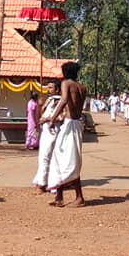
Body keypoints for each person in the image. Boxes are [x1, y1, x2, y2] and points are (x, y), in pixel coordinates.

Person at [43, 61, 86, 208]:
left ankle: (79, 198)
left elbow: (63, 101)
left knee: (64, 160)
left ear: (64, 73)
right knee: (64, 159)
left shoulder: (66, 84)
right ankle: (59, 196)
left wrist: (52, 119)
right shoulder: (82, 88)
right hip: (77, 124)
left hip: (69, 124)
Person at [31, 81, 61, 194]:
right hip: (45, 130)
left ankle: (43, 183)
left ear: (57, 89)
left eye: (51, 87)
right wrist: (40, 106)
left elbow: (61, 117)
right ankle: (43, 180)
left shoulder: (59, 101)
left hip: (53, 129)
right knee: (43, 155)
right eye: (47, 87)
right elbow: (42, 114)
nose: (48, 89)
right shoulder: (49, 100)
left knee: (47, 156)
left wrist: (47, 119)